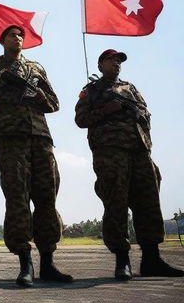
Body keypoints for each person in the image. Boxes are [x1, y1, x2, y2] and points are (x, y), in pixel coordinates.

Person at [0, 25, 72, 288]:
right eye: (11, 35)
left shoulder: (36, 69)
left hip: (40, 136)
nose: (17, 38)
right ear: (3, 40)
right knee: (17, 197)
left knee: (47, 197)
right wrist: (2, 78)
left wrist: (39, 95)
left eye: (20, 35)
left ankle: (48, 263)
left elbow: (54, 103)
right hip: (10, 136)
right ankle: (25, 264)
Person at [75, 49, 183, 280]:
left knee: (149, 202)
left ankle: (151, 259)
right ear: (100, 64)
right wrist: (106, 110)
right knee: (116, 202)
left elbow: (145, 113)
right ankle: (122, 260)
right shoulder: (91, 90)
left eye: (119, 61)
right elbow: (80, 120)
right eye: (111, 60)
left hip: (140, 150)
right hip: (110, 152)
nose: (116, 63)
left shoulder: (130, 88)